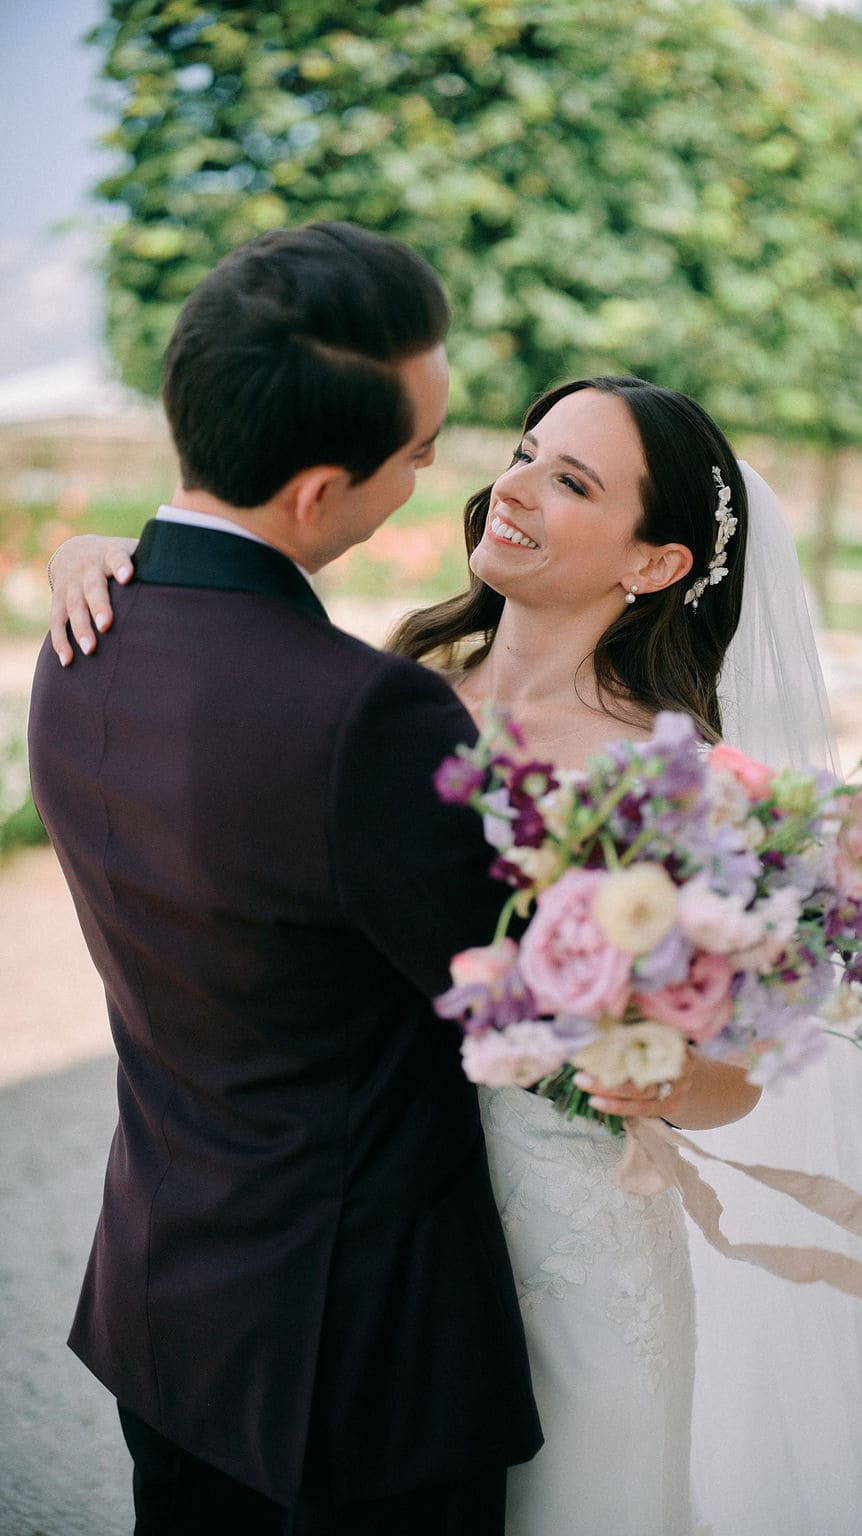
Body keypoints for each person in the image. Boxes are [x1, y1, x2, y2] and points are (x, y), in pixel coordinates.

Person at [47, 375, 862, 1535]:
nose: (509, 489)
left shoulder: (691, 788)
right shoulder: (390, 691)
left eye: (569, 480)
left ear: (655, 563)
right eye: (526, 451)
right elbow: (234, 663)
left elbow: (731, 1072)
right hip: (361, 1247)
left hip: (567, 1260)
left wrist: (667, 1080)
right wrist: (100, 555)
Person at [29, 219, 549, 1536]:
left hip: (170, 1304)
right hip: (350, 1363)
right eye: (421, 454)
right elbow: (522, 996)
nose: (434, 477)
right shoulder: (366, 719)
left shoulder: (79, 635)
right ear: (323, 493)